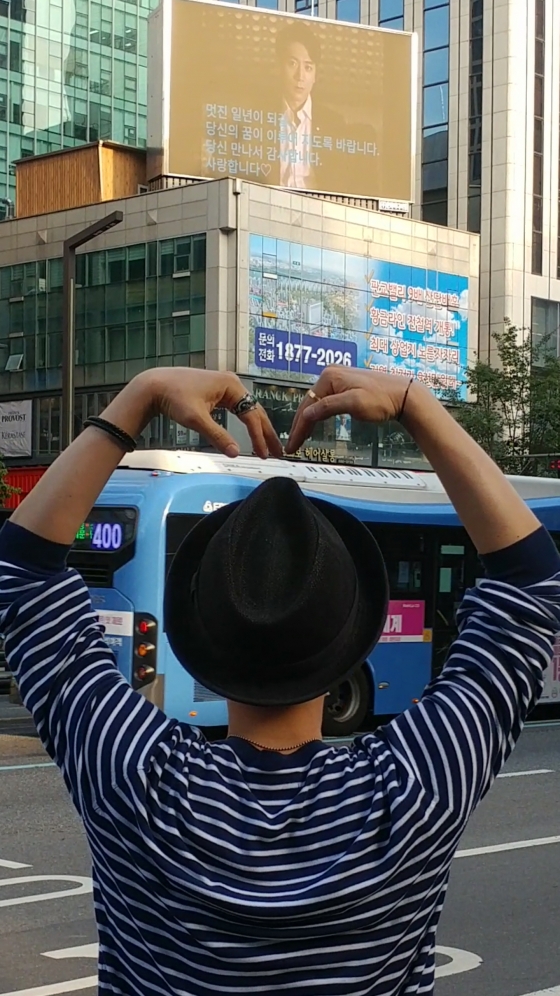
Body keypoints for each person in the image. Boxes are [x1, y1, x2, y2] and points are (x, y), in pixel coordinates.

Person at [1, 364, 559, 996]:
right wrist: (415, 405)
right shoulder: (412, 788)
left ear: (195, 636)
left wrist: (141, 394)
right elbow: (533, 580)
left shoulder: (137, 776)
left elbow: (22, 569)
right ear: (354, 640)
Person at [272, 23, 344, 190]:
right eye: (292, 64)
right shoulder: (259, 116)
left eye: (308, 67)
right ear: (279, 67)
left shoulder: (334, 123)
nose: (300, 76)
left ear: (315, 75)